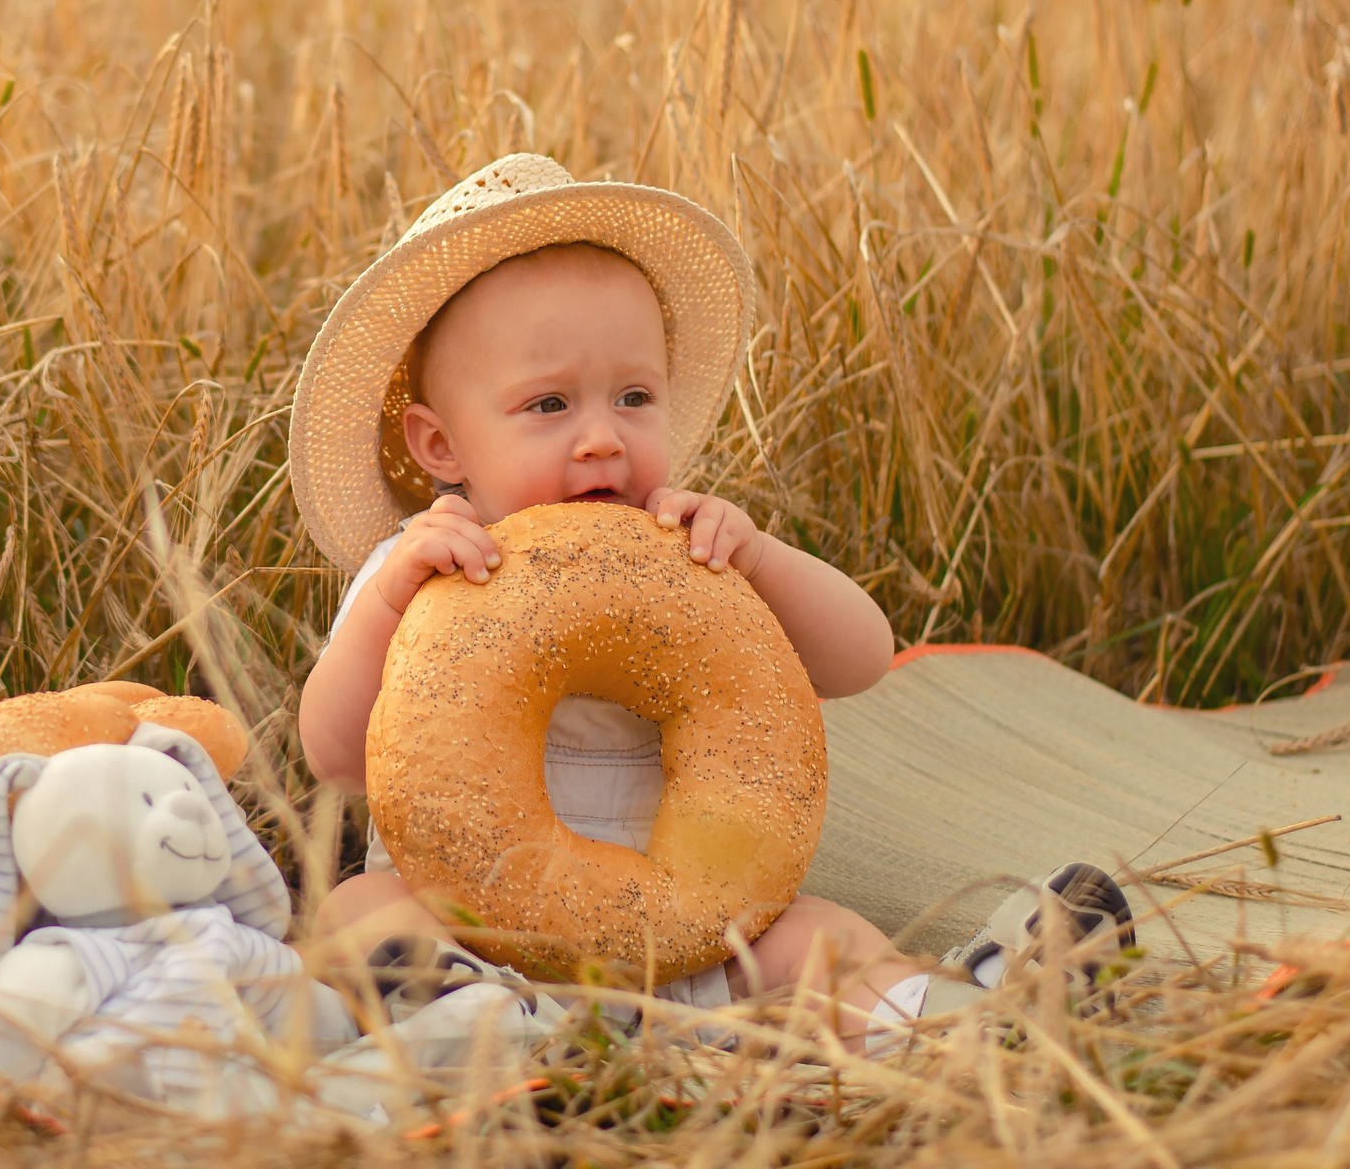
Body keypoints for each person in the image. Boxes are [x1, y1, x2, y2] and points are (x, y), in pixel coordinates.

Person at [288, 154, 1128, 1050]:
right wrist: (383, 607)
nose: (602, 437)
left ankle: (956, 1022)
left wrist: (759, 561)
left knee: (817, 938)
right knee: (363, 910)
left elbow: (864, 656)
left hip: (694, 949)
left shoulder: (690, 553)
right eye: (548, 404)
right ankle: (474, 1033)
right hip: (481, 942)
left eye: (635, 396)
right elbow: (335, 758)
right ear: (441, 444)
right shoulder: (422, 570)